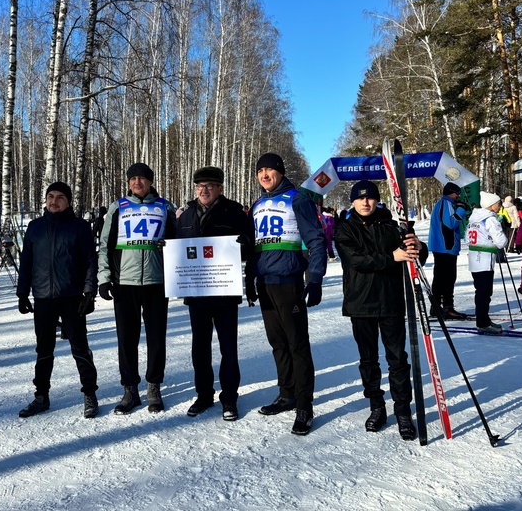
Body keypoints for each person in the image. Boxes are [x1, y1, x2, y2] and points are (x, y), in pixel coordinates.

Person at [247, 152, 326, 436]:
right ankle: (287, 393)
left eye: (269, 169)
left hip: (289, 282)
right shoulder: (257, 204)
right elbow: (256, 245)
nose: (264, 174)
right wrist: (249, 278)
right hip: (265, 283)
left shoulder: (297, 198)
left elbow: (316, 238)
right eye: (260, 171)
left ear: (280, 172)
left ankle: (305, 405)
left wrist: (315, 278)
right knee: (277, 343)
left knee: (297, 345)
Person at [334, 180, 420, 441]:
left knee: (397, 359)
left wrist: (417, 246)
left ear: (377, 200)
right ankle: (376, 406)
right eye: (360, 199)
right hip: (360, 304)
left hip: (391, 301)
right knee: (368, 361)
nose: (365, 202)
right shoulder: (344, 229)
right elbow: (355, 260)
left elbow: (416, 253)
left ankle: (403, 411)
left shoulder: (393, 227)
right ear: (352, 202)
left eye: (370, 198)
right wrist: (390, 257)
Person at [175, 166, 253, 422]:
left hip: (224, 292)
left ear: (220, 188)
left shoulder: (234, 212)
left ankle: (229, 396)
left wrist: (242, 248)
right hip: (196, 293)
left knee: (228, 347)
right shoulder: (185, 216)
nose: (203, 190)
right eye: (199, 186)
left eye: (209, 186)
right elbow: (177, 249)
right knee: (200, 347)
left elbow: (249, 246)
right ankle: (204, 394)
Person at [98, 162, 177, 414]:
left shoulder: (165, 207)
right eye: (133, 179)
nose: (137, 183)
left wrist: (176, 275)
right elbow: (105, 244)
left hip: (156, 281)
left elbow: (178, 242)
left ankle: (154, 386)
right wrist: (104, 277)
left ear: (150, 181)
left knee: (156, 338)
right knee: (126, 339)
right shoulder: (118, 207)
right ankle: (130, 389)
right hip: (125, 282)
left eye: (142, 179)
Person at [16, 182, 100, 419]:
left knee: (80, 348)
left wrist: (89, 293)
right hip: (43, 297)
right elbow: (26, 263)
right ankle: (41, 396)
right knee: (43, 349)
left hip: (72, 297)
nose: (54, 201)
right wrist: (22, 293)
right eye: (50, 196)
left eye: (60, 197)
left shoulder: (79, 227)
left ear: (68, 201)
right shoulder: (35, 228)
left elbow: (89, 261)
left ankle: (90, 394)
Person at [467, 192, 509, 335]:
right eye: (498, 203)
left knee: (481, 290)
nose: (500, 205)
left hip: (474, 257)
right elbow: (501, 241)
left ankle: (484, 319)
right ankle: (483, 323)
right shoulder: (490, 219)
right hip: (484, 258)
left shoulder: (474, 217)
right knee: (484, 292)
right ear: (491, 205)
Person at [428, 182, 469, 320]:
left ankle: (437, 307)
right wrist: (461, 210)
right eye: (457, 193)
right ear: (451, 192)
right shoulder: (446, 203)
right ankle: (447, 308)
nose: (459, 196)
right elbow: (450, 223)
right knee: (448, 278)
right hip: (446, 246)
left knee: (440, 277)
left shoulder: (443, 203)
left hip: (441, 246)